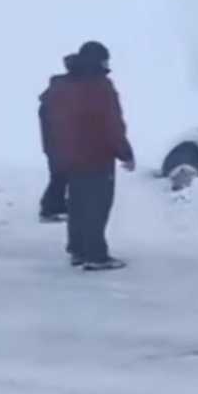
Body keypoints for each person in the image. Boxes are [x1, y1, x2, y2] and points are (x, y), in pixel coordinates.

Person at [45, 41, 135, 270]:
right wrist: (125, 153)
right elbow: (111, 123)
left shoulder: (64, 85)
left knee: (77, 204)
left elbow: (49, 119)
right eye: (106, 59)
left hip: (71, 156)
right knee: (97, 205)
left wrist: (56, 152)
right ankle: (96, 255)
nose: (108, 63)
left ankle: (78, 249)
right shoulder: (100, 86)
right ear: (99, 60)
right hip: (97, 155)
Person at [38, 54, 77, 223]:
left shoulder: (54, 92)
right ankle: (48, 208)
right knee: (60, 176)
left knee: (61, 176)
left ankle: (57, 205)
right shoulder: (62, 93)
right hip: (59, 144)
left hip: (54, 143)